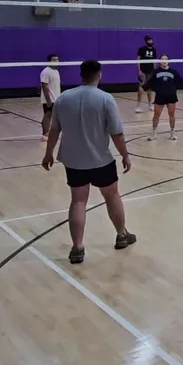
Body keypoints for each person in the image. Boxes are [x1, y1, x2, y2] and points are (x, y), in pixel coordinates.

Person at [42, 59, 135, 264]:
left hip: (73, 161)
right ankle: (121, 234)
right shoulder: (105, 99)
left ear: (81, 75)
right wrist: (125, 155)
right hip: (101, 160)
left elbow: (54, 130)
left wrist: (48, 153)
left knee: (78, 201)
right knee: (112, 196)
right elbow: (116, 133)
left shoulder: (64, 98)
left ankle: (77, 248)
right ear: (99, 75)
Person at [141, 55, 182, 140]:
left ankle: (172, 133)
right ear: (160, 61)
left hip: (171, 96)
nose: (164, 60)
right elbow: (149, 83)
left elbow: (180, 81)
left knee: (172, 114)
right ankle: (154, 133)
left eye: (166, 59)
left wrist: (173, 88)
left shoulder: (173, 72)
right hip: (160, 96)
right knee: (156, 115)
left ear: (168, 61)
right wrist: (144, 87)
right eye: (162, 59)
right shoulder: (155, 72)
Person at [39, 53, 61, 142]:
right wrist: (48, 100)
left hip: (56, 98)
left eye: (57, 59)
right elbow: (44, 86)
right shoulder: (46, 72)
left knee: (50, 116)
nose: (56, 61)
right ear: (49, 61)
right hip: (49, 99)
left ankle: (48, 133)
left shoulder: (56, 71)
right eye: (54, 60)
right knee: (47, 115)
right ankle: (45, 135)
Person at [135, 35, 157, 113]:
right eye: (149, 40)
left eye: (151, 40)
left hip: (150, 71)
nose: (150, 41)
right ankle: (138, 105)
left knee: (149, 88)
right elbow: (138, 60)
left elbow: (154, 61)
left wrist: (154, 71)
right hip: (143, 71)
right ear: (146, 41)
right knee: (141, 87)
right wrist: (139, 70)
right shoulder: (141, 49)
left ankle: (150, 104)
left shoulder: (154, 50)